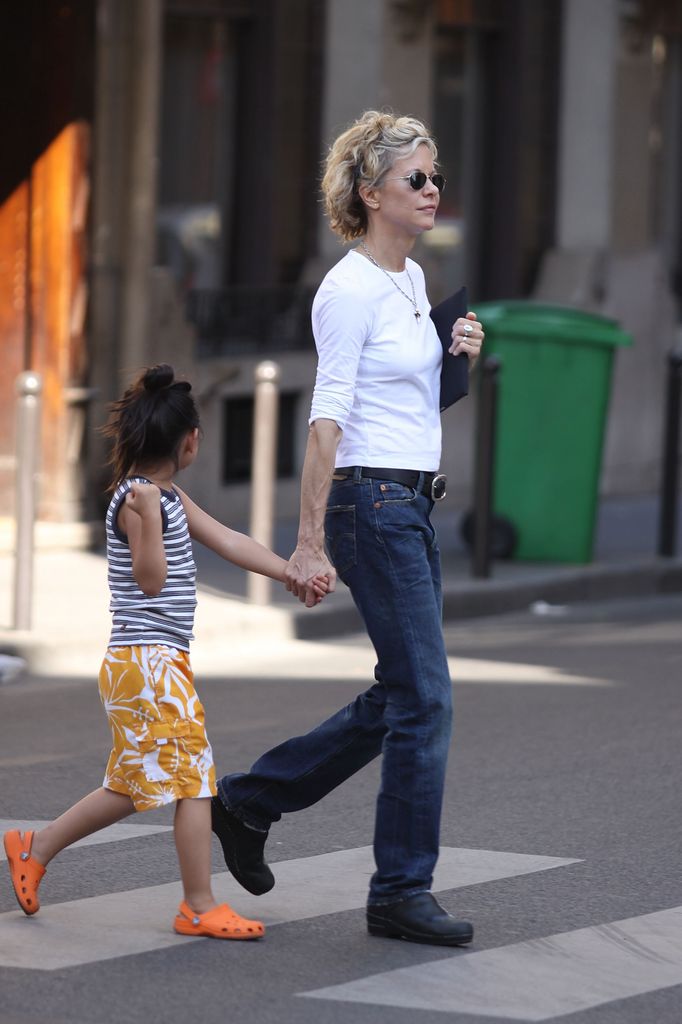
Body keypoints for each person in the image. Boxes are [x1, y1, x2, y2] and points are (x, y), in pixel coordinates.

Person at [211, 110, 484, 946]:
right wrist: (307, 541)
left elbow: (407, 405)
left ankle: (251, 802)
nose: (433, 190)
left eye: (436, 176)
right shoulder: (350, 287)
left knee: (406, 692)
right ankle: (399, 890)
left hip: (410, 501)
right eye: (416, 179)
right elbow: (327, 420)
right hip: (368, 506)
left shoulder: (409, 283)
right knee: (426, 700)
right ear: (370, 193)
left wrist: (455, 357)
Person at [3, 364, 326, 941]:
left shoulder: (168, 496)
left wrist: (290, 573)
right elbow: (150, 581)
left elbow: (229, 539)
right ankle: (198, 905)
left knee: (135, 784)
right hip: (147, 662)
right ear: (190, 440)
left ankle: (35, 846)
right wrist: (148, 519)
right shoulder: (139, 499)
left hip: (153, 663)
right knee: (194, 779)